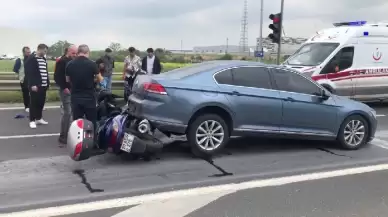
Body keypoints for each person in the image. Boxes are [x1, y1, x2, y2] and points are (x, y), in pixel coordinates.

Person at [65, 44, 104, 152]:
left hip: (75, 97)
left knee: (77, 122)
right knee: (91, 122)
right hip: (89, 97)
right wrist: (92, 81)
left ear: (78, 52)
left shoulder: (70, 64)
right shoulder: (92, 64)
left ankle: (77, 144)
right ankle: (93, 145)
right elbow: (100, 79)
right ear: (87, 52)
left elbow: (68, 80)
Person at [54, 45, 77, 145]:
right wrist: (65, 87)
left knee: (70, 112)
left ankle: (68, 134)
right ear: (68, 51)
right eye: (73, 53)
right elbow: (57, 77)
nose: (75, 55)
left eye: (76, 53)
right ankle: (63, 136)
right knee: (67, 112)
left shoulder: (72, 61)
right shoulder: (62, 61)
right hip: (65, 90)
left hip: (72, 90)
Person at [25, 44, 49, 129]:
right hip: (35, 86)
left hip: (43, 85)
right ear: (40, 49)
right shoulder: (32, 59)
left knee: (41, 103)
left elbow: (45, 72)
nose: (45, 53)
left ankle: (39, 118)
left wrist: (47, 83)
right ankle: (32, 120)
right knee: (33, 103)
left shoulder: (43, 59)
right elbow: (29, 73)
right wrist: (32, 84)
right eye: (45, 51)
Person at [13, 46, 31, 112]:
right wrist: (20, 74)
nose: (29, 53)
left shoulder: (31, 58)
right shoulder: (20, 59)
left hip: (31, 78)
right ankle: (27, 106)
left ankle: (32, 105)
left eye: (29, 52)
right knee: (26, 93)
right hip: (24, 79)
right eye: (27, 52)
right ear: (23, 52)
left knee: (32, 93)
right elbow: (15, 69)